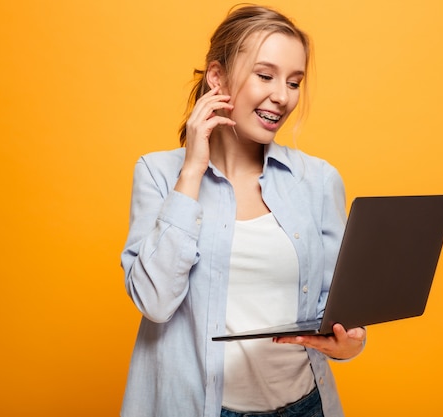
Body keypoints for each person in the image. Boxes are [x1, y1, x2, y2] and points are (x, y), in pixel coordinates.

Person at [120, 4, 367, 416]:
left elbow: (336, 309)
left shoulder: (319, 181)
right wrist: (193, 171)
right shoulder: (159, 175)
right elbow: (155, 301)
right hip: (202, 408)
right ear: (217, 78)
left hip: (305, 405)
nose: (282, 96)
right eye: (265, 75)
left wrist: (351, 341)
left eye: (294, 82)